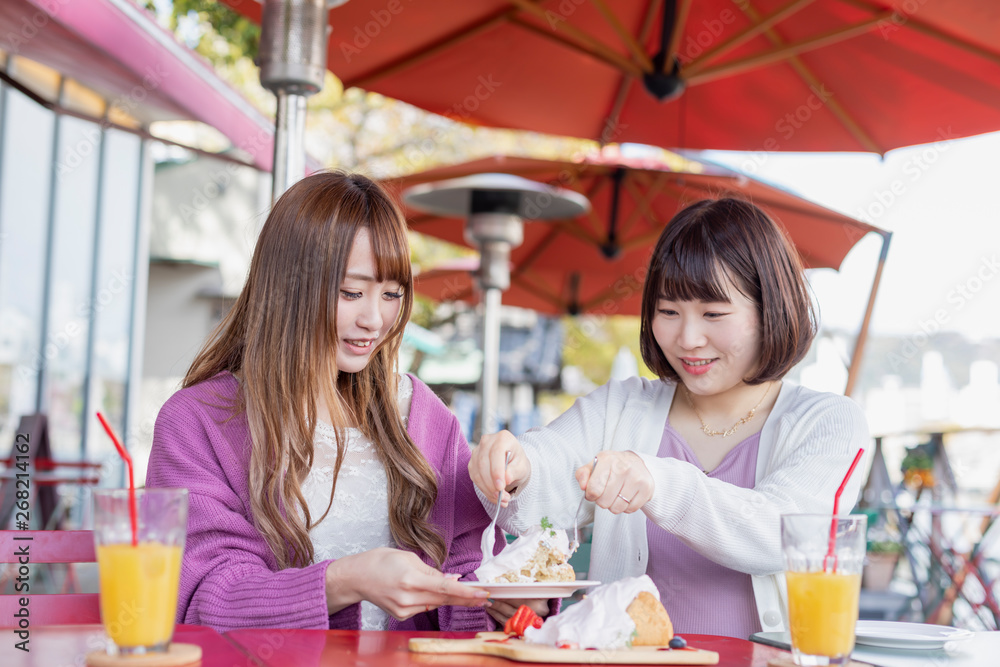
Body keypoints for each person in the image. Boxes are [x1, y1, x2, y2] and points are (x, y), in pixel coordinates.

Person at [469, 198, 869, 639]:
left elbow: (782, 534)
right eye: (668, 311)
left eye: (714, 313)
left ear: (770, 308)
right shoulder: (621, 406)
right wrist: (517, 467)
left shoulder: (829, 422)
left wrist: (658, 482)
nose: (688, 338)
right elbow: (551, 468)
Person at [147, 171, 502, 632]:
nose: (374, 320)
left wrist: (504, 605)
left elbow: (470, 569)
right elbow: (204, 598)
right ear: (289, 286)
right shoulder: (199, 421)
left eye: (392, 294)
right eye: (351, 292)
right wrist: (344, 581)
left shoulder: (423, 415)